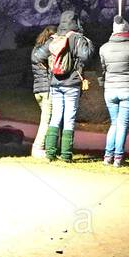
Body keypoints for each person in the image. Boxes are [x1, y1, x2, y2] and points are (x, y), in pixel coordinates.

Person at [30, 11, 94, 162]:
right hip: (71, 84)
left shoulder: (54, 38)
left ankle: (51, 154)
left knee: (55, 117)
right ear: (75, 22)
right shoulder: (77, 38)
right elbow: (86, 56)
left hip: (55, 83)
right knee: (69, 118)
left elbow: (38, 56)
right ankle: (66, 155)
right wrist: (88, 42)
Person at [99, 16, 129, 166]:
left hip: (110, 90)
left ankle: (107, 156)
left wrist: (104, 84)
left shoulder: (103, 48)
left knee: (114, 124)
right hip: (127, 89)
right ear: (126, 30)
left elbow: (101, 70)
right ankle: (118, 158)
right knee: (122, 125)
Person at [29, 26, 56, 158]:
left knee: (47, 119)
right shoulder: (48, 49)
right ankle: (38, 148)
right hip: (46, 90)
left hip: (37, 90)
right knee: (46, 120)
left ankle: (46, 147)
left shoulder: (35, 49)